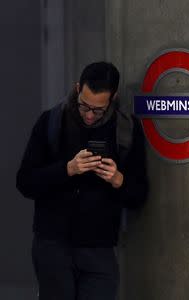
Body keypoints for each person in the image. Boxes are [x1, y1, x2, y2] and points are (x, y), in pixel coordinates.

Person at [16, 62, 149, 300]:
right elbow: (25, 182)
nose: (89, 115)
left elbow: (140, 194)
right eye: (84, 106)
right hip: (53, 245)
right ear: (78, 89)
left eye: (97, 110)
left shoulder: (126, 130)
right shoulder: (51, 122)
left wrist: (119, 180)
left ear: (113, 97)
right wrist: (66, 169)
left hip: (99, 249)